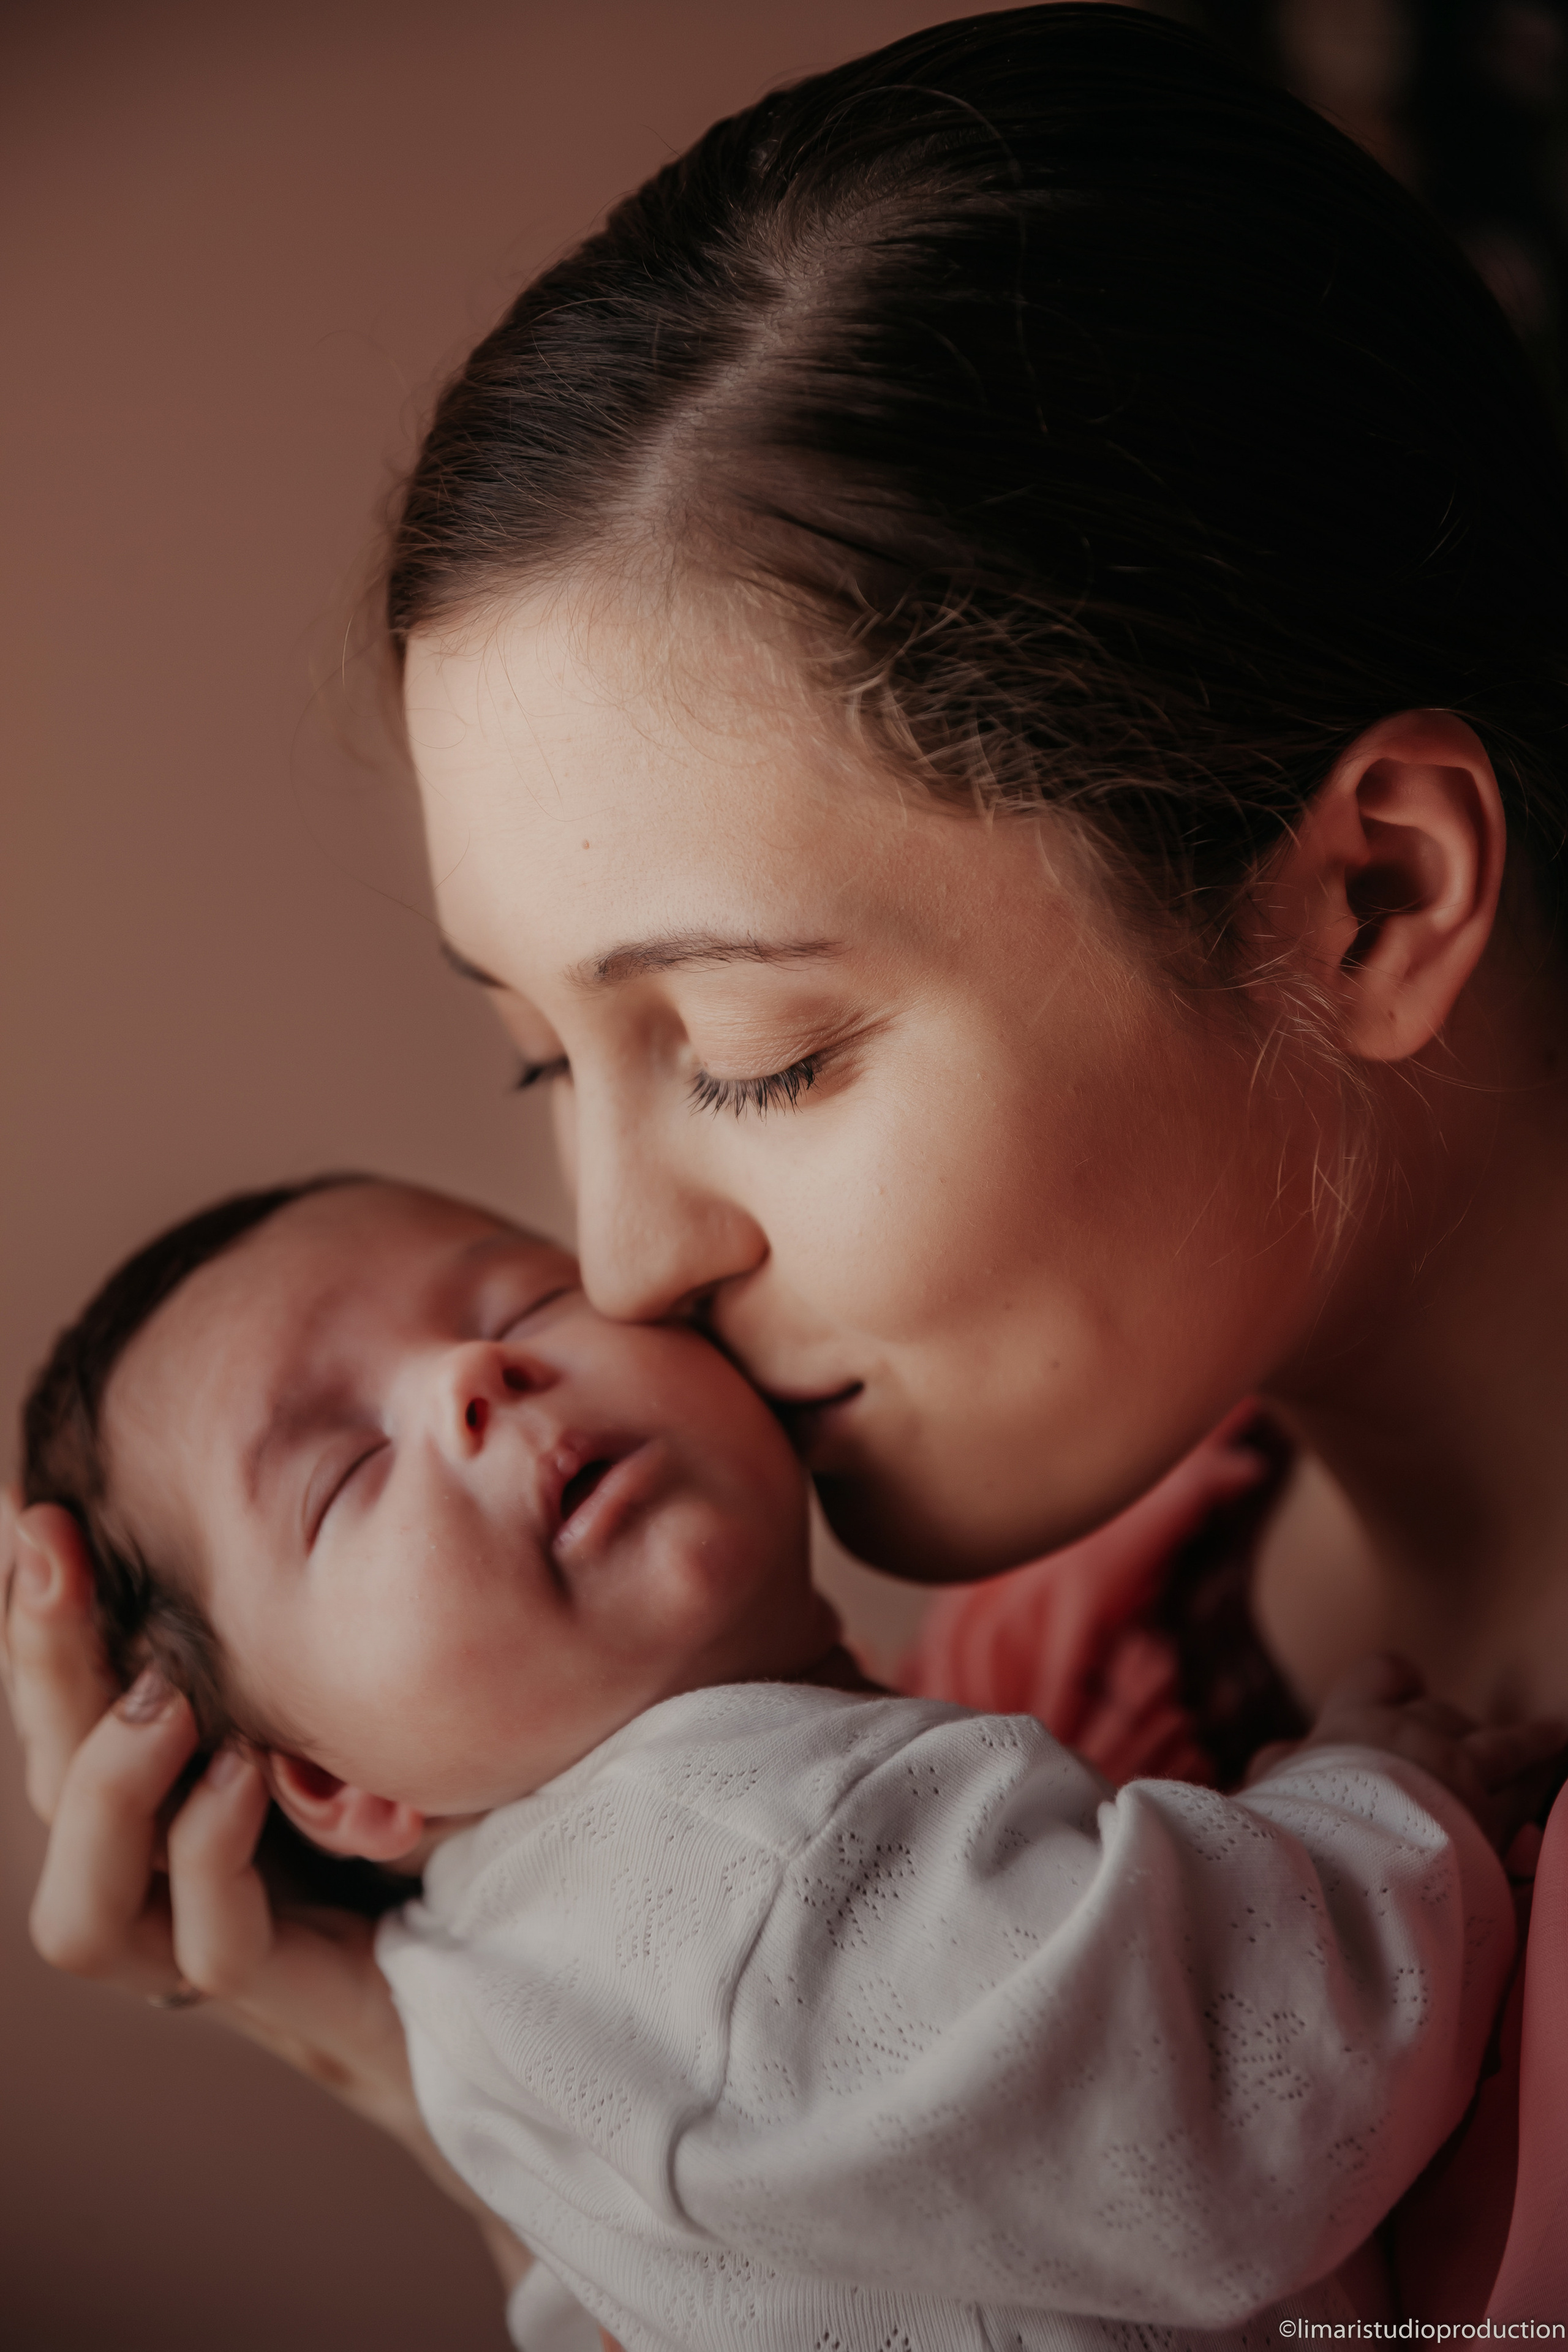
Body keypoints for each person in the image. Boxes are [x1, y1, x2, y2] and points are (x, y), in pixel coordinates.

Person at [7, 0, 1568, 2331]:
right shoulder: (1036, 1676)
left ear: (1370, 899)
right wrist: (439, 2068)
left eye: (756, 1052)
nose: (623, 1264)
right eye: (550, 1067)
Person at [17, 1170, 1555, 2352]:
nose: (473, 1377)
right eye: (344, 1472)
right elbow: (1228, 2101)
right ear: (341, 1791)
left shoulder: (488, 1999)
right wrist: (1374, 1803)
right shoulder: (740, 1860)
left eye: (524, 1300)